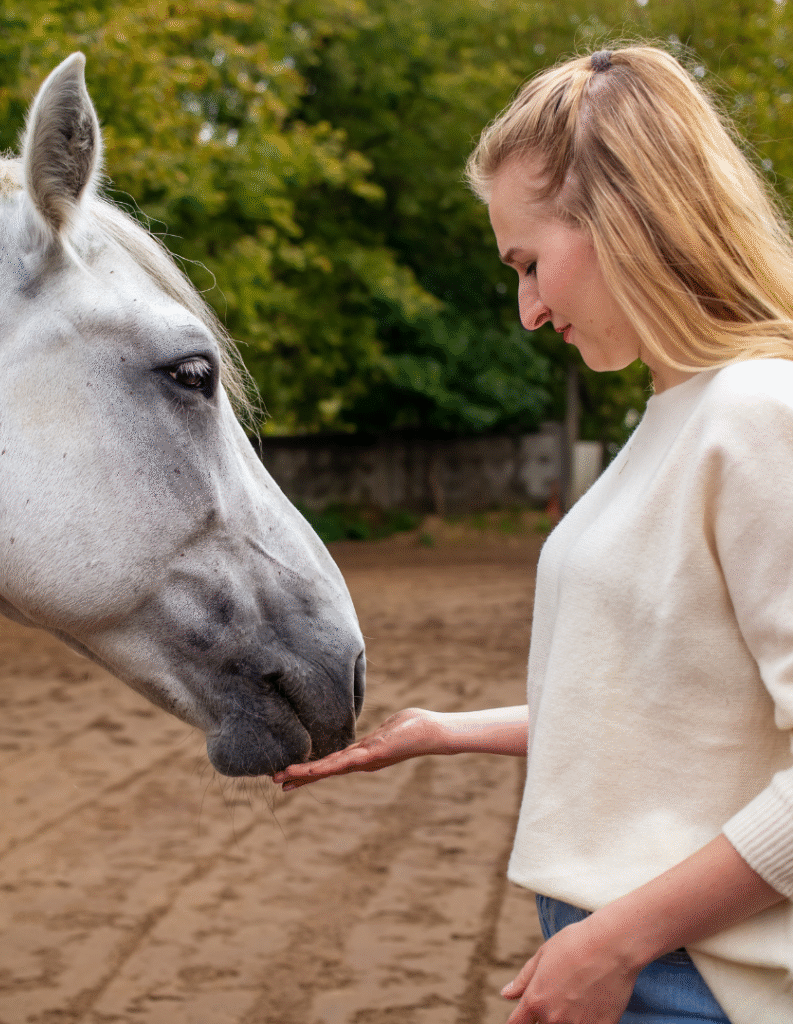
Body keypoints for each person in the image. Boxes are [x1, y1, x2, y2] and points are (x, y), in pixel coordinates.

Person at [273, 46, 793, 1024]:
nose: (527, 310)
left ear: (626, 217)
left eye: (527, 263)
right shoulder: (666, 419)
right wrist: (440, 730)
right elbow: (665, 710)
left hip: (693, 980)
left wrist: (615, 940)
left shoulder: (759, 416)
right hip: (637, 959)